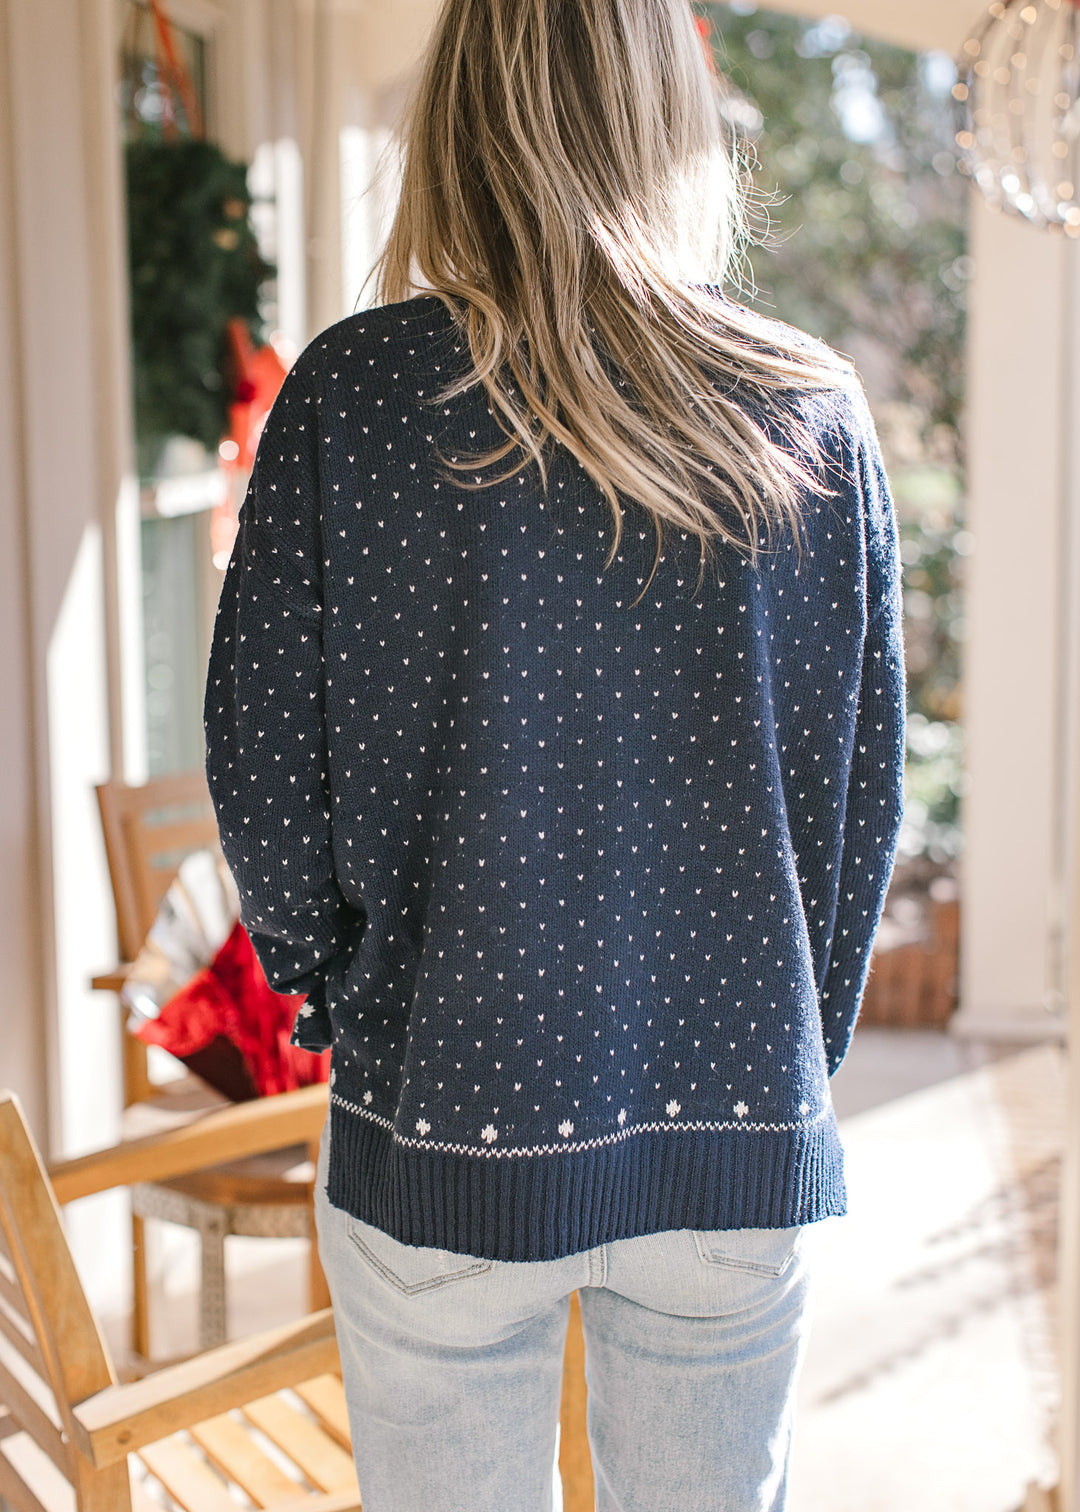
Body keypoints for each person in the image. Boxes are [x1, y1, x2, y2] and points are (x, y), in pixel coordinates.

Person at [203, 0, 905, 1506]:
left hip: (441, 1107)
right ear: (676, 120)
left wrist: (344, 996)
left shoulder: (356, 395)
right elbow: (856, 808)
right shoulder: (813, 414)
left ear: (458, 121)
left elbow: (262, 764)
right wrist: (791, 1046)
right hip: (731, 1120)